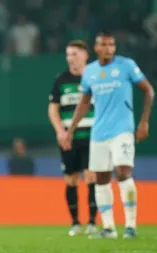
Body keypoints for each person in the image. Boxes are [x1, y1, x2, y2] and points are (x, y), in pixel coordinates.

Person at [59, 31, 155, 239]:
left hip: (123, 131)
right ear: (97, 48)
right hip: (99, 133)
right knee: (101, 179)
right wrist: (71, 131)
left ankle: (130, 225)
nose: (109, 48)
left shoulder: (126, 65)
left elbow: (148, 90)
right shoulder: (90, 72)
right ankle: (109, 227)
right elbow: (84, 102)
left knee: (123, 172)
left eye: (112, 45)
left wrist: (144, 121)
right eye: (105, 45)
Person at [48, 40, 98, 236]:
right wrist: (61, 132)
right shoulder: (61, 80)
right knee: (71, 179)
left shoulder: (94, 78)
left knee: (92, 175)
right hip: (69, 138)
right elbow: (53, 109)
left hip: (93, 136)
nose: (71, 58)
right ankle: (75, 222)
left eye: (75, 54)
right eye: (68, 54)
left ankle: (93, 222)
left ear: (86, 55)